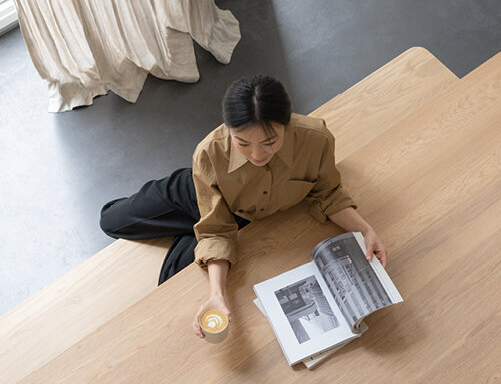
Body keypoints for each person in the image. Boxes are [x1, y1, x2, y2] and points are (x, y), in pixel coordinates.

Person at [100, 74, 387, 339]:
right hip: (195, 190)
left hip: (235, 218)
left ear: (287, 123)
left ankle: (191, 230)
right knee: (111, 221)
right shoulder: (208, 152)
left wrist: (365, 230)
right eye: (242, 143)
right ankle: (189, 222)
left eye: (270, 142)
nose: (257, 154)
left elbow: (327, 194)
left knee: (170, 280)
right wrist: (210, 229)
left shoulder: (317, 139)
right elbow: (214, 227)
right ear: (228, 130)